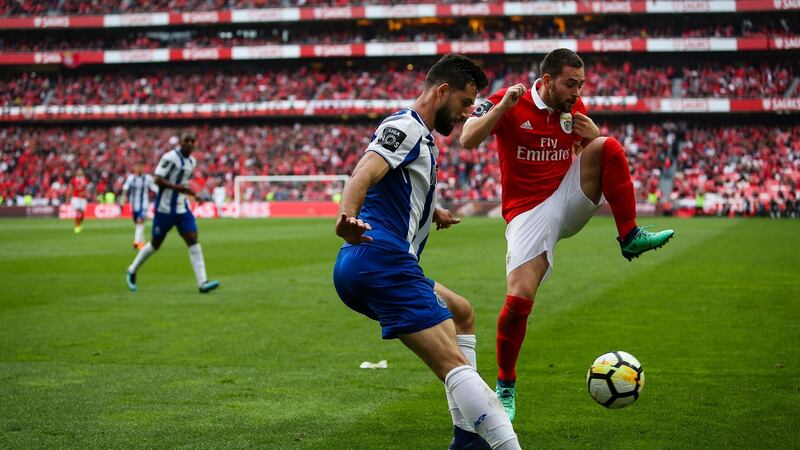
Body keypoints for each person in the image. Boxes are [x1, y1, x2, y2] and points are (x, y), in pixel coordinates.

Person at [460, 48, 674, 421]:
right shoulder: (510, 101)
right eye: (570, 84)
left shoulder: (575, 108)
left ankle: (629, 236)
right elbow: (467, 139)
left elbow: (591, 149)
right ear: (546, 81)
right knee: (518, 300)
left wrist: (592, 135)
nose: (577, 92)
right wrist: (501, 108)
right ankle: (506, 386)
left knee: (608, 145)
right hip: (528, 214)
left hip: (568, 196)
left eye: (581, 84)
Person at [333, 54, 521, 450]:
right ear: (441, 91)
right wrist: (346, 217)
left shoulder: (420, 135)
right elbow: (363, 172)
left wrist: (431, 210)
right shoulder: (405, 125)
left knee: (462, 311)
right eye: (465, 103)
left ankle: (467, 438)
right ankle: (503, 444)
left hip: (375, 263)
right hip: (380, 259)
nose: (468, 112)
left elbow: (394, 183)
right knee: (451, 363)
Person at [125, 133, 220, 294]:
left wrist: (194, 196)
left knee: (193, 239)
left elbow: (183, 184)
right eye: (186, 141)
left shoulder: (192, 161)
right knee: (156, 244)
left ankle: (203, 282)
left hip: (182, 209)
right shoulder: (170, 158)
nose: (189, 144)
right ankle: (132, 270)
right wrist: (178, 189)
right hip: (164, 210)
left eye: (192, 141)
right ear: (181, 143)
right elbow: (157, 179)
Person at [121, 161, 158, 250]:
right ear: (134, 168)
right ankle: (143, 242)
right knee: (138, 224)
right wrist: (123, 198)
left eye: (141, 167)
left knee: (139, 221)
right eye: (137, 167)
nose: (139, 168)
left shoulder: (148, 178)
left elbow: (155, 188)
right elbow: (125, 188)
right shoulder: (131, 178)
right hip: (133, 205)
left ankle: (136, 242)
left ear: (143, 168)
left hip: (144, 204)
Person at [66, 167, 90, 234]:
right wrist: (68, 197)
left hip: (83, 198)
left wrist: (86, 193)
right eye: (78, 171)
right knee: (78, 211)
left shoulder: (85, 179)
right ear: (76, 172)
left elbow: (86, 188)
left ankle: (80, 223)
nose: (79, 172)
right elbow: (70, 188)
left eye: (81, 171)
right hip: (76, 197)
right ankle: (77, 225)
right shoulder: (74, 180)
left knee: (82, 213)